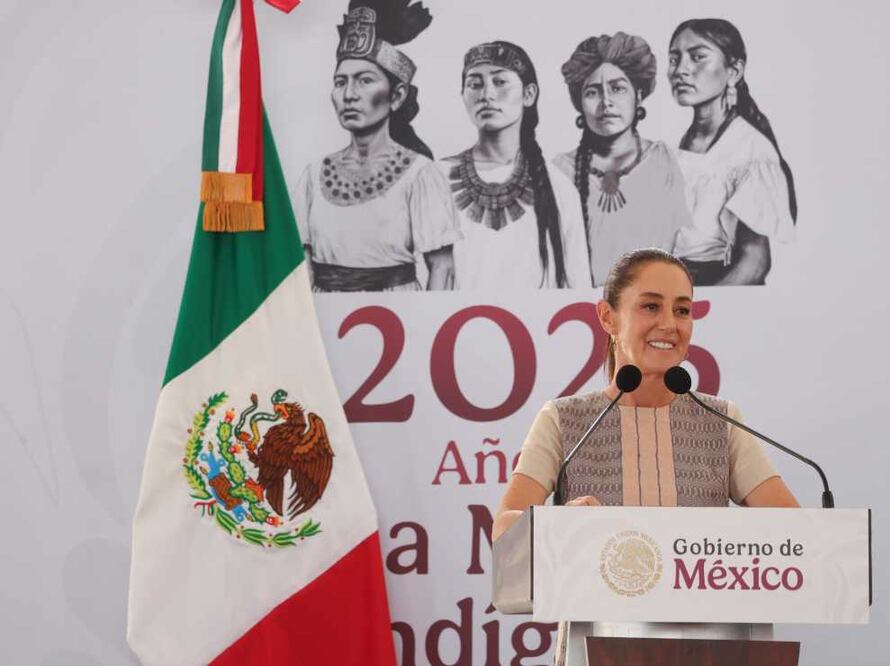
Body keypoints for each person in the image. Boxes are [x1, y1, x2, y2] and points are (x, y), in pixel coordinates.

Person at [493, 247, 799, 666]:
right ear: (607, 318)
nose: (670, 324)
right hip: (597, 650)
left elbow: (794, 534)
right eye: (651, 306)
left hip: (716, 651)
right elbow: (504, 529)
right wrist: (557, 525)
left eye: (683, 310)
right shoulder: (564, 420)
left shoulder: (721, 420)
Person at [292, 1, 460, 291]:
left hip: (398, 317)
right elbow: (300, 265)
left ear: (396, 96)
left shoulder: (420, 174)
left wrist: (426, 329)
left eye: (364, 80)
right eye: (340, 82)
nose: (349, 95)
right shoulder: (313, 174)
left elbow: (442, 268)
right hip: (328, 318)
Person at [440, 41, 591, 289]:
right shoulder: (437, 179)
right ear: (463, 96)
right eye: (475, 84)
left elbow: (578, 289)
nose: (486, 95)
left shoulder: (559, 187)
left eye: (500, 82)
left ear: (529, 94)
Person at [554, 33, 693, 287]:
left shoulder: (669, 163)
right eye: (593, 92)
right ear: (579, 103)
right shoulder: (559, 173)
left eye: (617, 89)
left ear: (638, 95)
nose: (606, 102)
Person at [668, 19, 797, 286]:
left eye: (698, 57)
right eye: (674, 59)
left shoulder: (751, 151)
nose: (681, 70)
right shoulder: (674, 145)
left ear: (734, 71)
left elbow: (754, 264)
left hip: (715, 292)